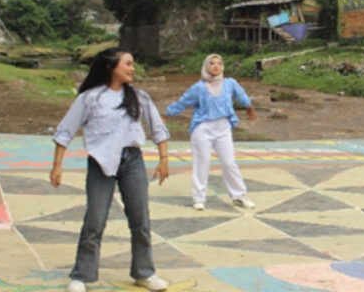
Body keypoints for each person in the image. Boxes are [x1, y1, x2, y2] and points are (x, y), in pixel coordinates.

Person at [49, 48, 170, 292]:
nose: (132, 69)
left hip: (132, 161)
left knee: (140, 220)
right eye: (127, 64)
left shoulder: (139, 97)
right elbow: (65, 131)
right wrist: (57, 165)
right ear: (110, 67)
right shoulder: (89, 98)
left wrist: (163, 158)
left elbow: (158, 128)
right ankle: (81, 275)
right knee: (94, 220)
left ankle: (144, 273)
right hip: (99, 163)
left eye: (132, 64)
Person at [166, 54, 257, 211]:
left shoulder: (230, 83)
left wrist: (249, 107)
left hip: (223, 128)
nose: (216, 66)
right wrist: (165, 114)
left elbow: (242, 96)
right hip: (203, 129)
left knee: (229, 163)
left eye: (219, 63)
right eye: (212, 63)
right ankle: (199, 199)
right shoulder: (198, 87)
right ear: (206, 66)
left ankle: (239, 196)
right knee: (202, 164)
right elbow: (183, 102)